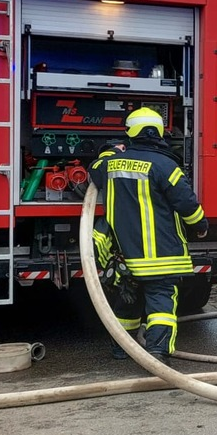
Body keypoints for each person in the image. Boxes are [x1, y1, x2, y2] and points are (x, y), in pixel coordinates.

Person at [88, 107, 208, 363]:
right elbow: (187, 204)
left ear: (130, 132)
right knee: (161, 303)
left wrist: (110, 151)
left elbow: (94, 169)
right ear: (159, 132)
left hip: (126, 256)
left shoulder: (110, 164)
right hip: (163, 256)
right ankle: (157, 352)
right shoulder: (166, 165)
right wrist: (200, 225)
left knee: (127, 301)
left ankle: (122, 348)